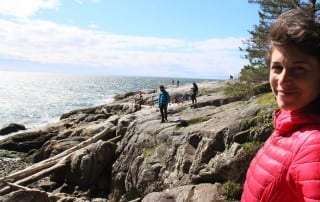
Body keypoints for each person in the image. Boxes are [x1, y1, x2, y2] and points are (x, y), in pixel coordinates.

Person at [241, 8, 320, 201]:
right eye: (277, 67)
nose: (283, 79)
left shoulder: (314, 144)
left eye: (299, 69)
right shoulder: (288, 125)